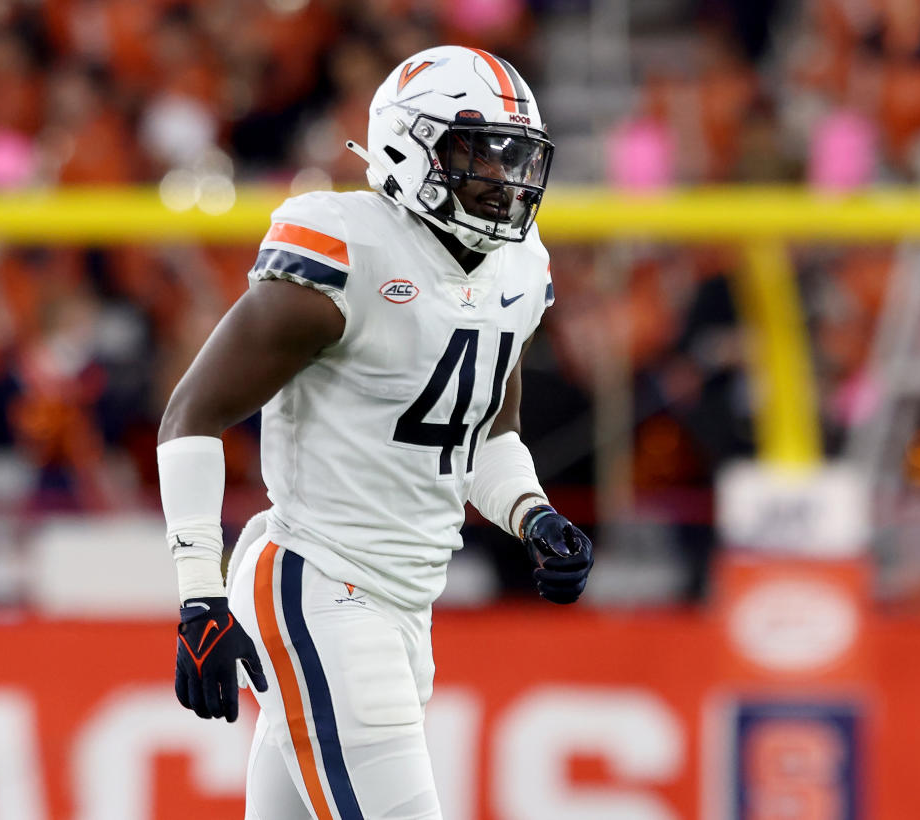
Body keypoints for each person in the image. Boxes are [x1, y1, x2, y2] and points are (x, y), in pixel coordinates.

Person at [157, 45, 594, 819]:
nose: (504, 178)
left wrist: (535, 515)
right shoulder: (347, 248)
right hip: (318, 579)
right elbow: (191, 413)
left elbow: (484, 434)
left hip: (403, 599)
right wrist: (198, 596)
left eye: (514, 156)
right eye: (477, 153)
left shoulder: (519, 268)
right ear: (407, 147)